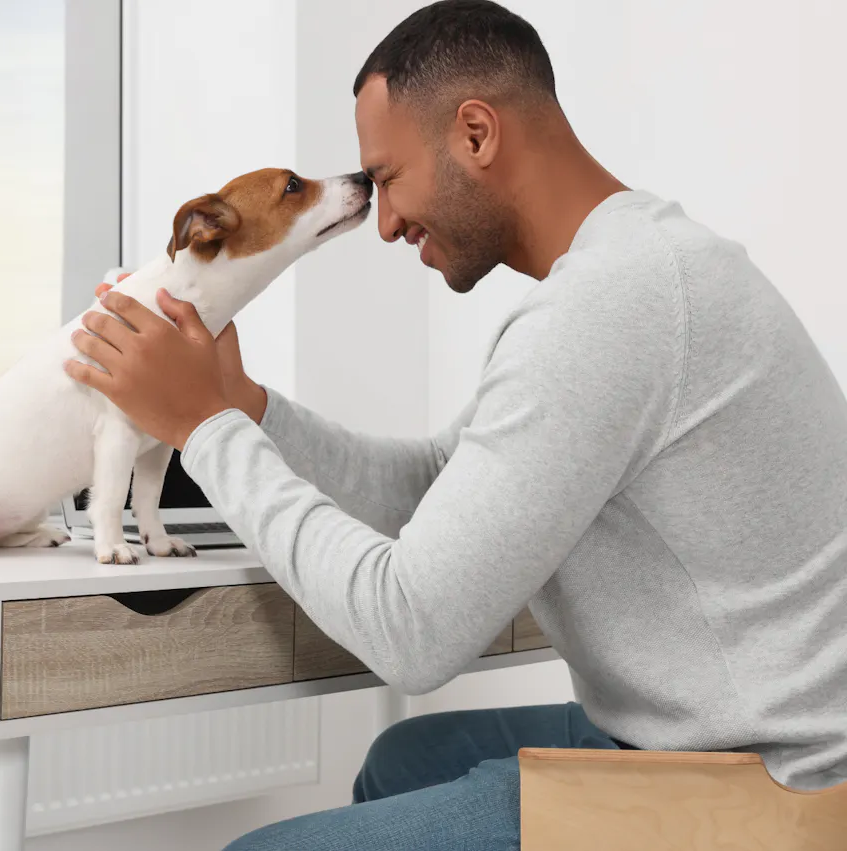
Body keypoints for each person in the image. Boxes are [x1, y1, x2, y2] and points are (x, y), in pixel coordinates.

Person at [65, 0, 847, 847]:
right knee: (404, 757)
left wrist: (206, 430)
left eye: (389, 177)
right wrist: (249, 409)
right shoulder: (636, 267)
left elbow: (411, 631)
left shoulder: (610, 307)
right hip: (720, 737)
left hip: (775, 791)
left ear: (476, 134)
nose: (388, 221)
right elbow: (437, 481)